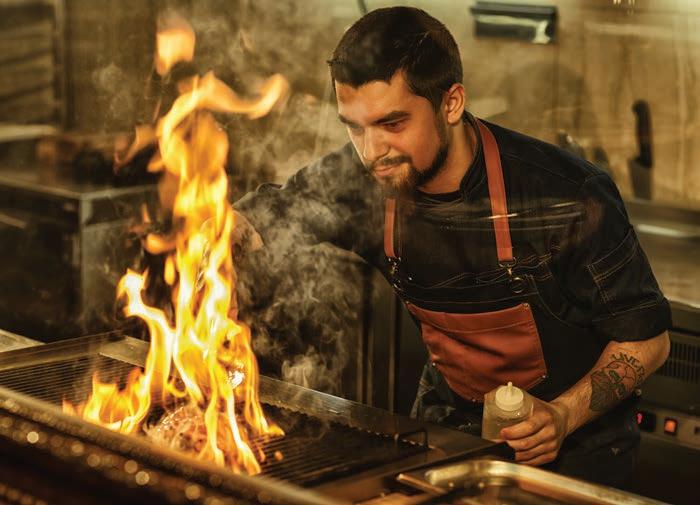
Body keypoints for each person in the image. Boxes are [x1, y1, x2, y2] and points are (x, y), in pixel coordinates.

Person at [235, 6, 671, 487]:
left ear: (451, 104)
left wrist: (564, 415)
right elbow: (263, 219)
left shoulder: (567, 194)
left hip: (576, 449)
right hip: (449, 431)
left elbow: (647, 338)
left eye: (392, 124)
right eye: (354, 127)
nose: (371, 151)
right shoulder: (360, 180)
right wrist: (211, 242)